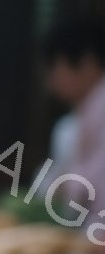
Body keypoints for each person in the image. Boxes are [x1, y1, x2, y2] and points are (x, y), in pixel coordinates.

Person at [43, 17, 105, 205]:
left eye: (54, 69)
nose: (51, 83)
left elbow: (94, 183)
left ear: (88, 63)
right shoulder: (89, 110)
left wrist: (59, 185)